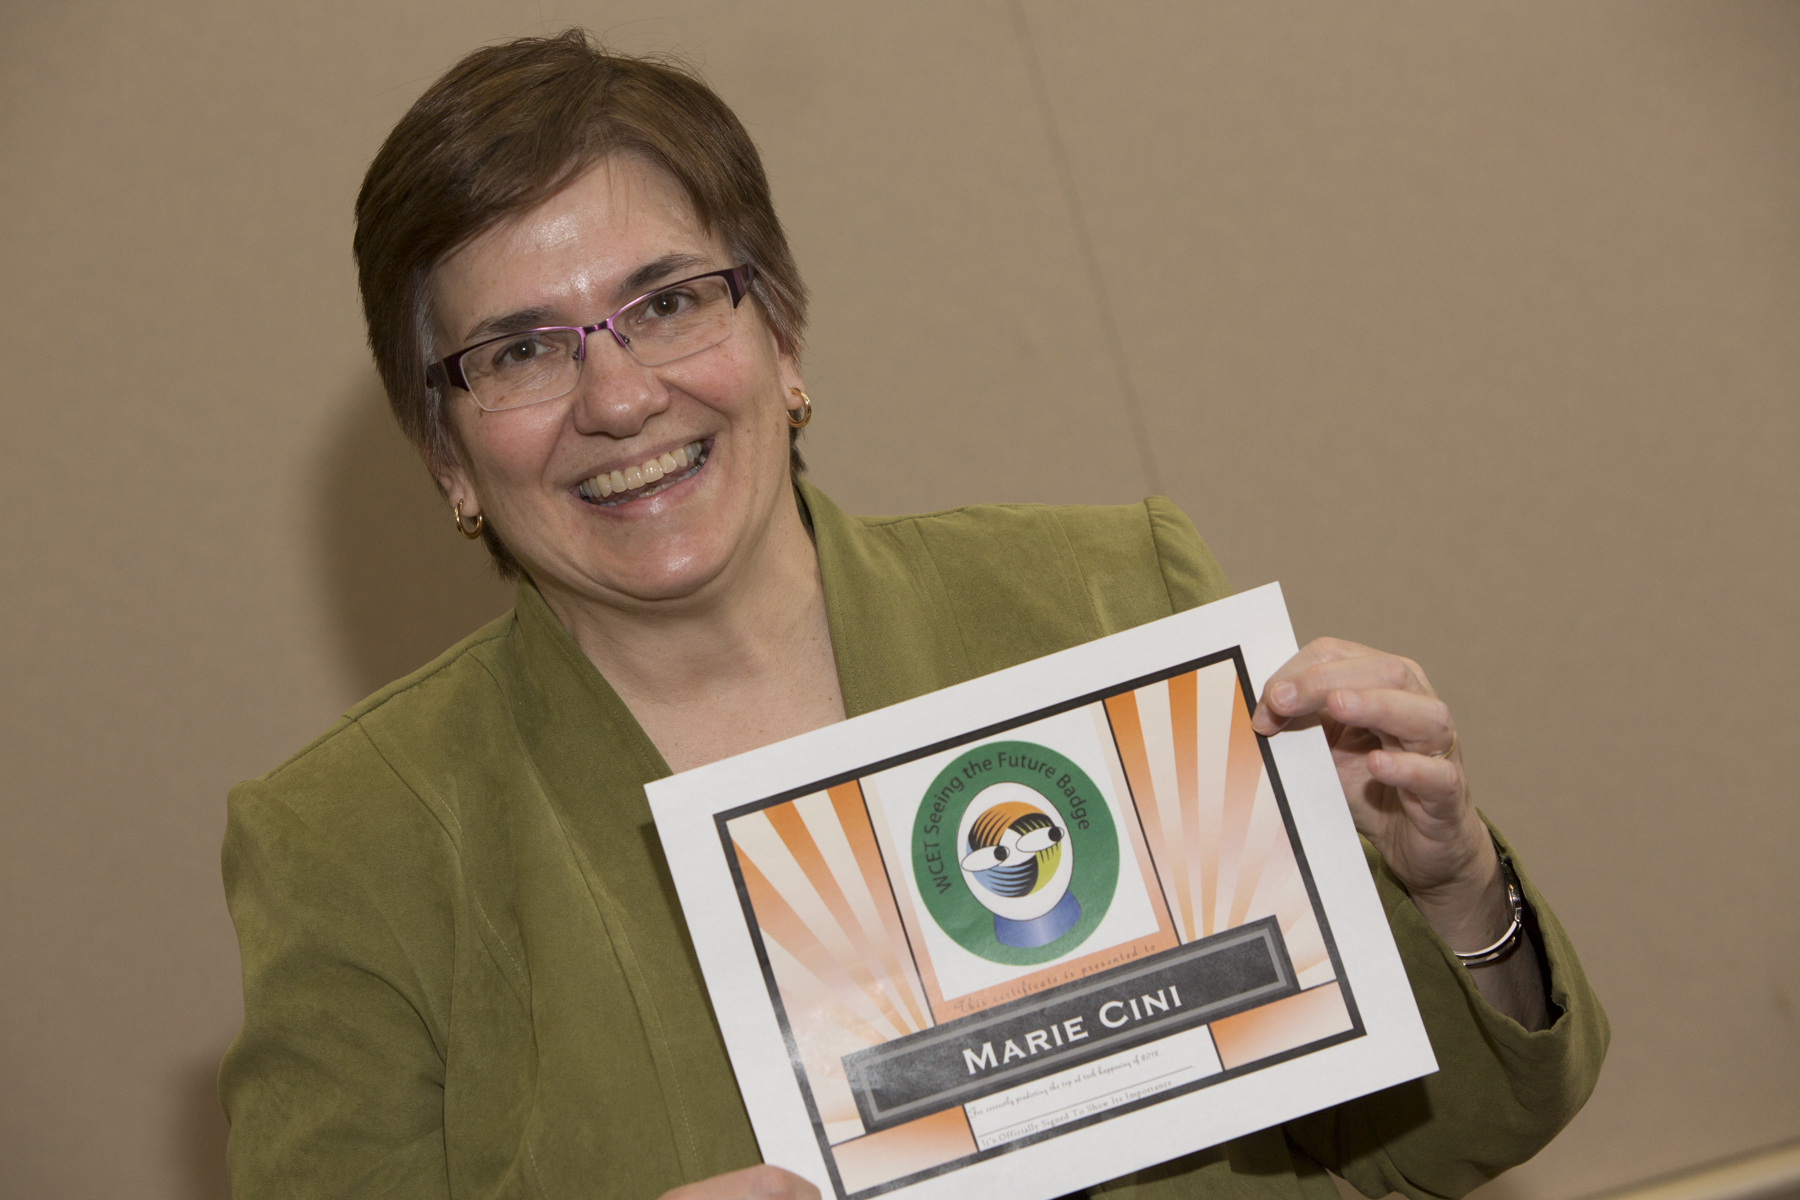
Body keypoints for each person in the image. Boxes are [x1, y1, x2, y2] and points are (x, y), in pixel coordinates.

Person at [219, 29, 1607, 1200]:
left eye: (670, 301)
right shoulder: (355, 843)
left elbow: (1420, 1148)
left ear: (783, 335)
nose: (621, 397)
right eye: (520, 349)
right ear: (448, 457)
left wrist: (1452, 898)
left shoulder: (1108, 601)